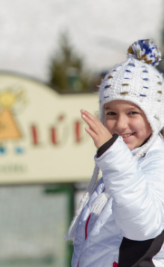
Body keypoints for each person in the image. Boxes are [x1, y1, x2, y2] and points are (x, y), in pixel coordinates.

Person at [69, 39, 164, 266]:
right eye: (111, 113)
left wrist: (112, 157)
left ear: (155, 117)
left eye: (132, 112)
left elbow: (142, 225)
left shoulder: (157, 164)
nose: (121, 125)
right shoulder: (124, 165)